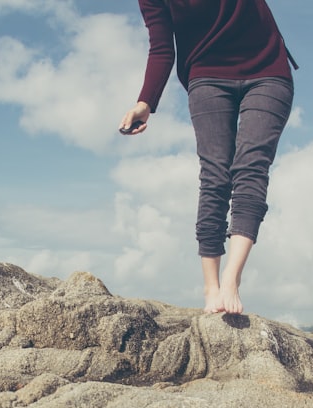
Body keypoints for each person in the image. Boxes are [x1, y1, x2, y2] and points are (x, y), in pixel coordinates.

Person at [120, 0, 296, 315]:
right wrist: (146, 101)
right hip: (207, 75)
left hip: (268, 69)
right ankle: (211, 285)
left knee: (251, 167)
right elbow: (162, 48)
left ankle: (231, 278)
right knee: (215, 175)